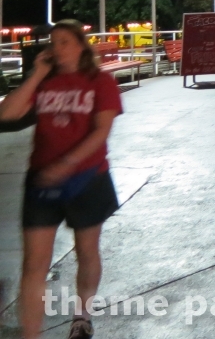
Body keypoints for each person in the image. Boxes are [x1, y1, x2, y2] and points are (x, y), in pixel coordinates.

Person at [0, 20, 123, 339]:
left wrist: (68, 163)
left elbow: (101, 131)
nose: (57, 48)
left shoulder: (100, 82)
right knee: (34, 263)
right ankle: (30, 334)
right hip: (42, 179)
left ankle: (82, 316)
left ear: (81, 45)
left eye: (65, 41)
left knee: (86, 251)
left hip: (88, 178)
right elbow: (7, 114)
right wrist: (36, 74)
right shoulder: (45, 82)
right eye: (53, 42)